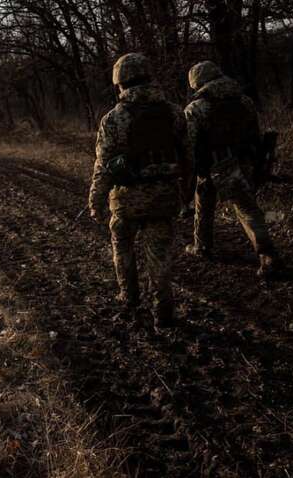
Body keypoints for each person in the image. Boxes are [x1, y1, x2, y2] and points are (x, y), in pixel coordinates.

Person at [88, 53, 193, 329]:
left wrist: (96, 200)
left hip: (126, 201)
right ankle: (163, 311)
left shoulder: (113, 119)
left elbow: (103, 167)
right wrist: (186, 193)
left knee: (122, 248)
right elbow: (188, 156)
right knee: (159, 256)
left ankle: (129, 299)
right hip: (164, 197)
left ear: (119, 82)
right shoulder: (174, 112)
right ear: (148, 76)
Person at [184, 61, 279, 277]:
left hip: (214, 165)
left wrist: (194, 170)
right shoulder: (244, 101)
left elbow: (189, 144)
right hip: (244, 162)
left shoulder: (196, 108)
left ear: (198, 83)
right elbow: (255, 134)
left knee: (206, 204)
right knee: (246, 208)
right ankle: (265, 254)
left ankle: (267, 255)